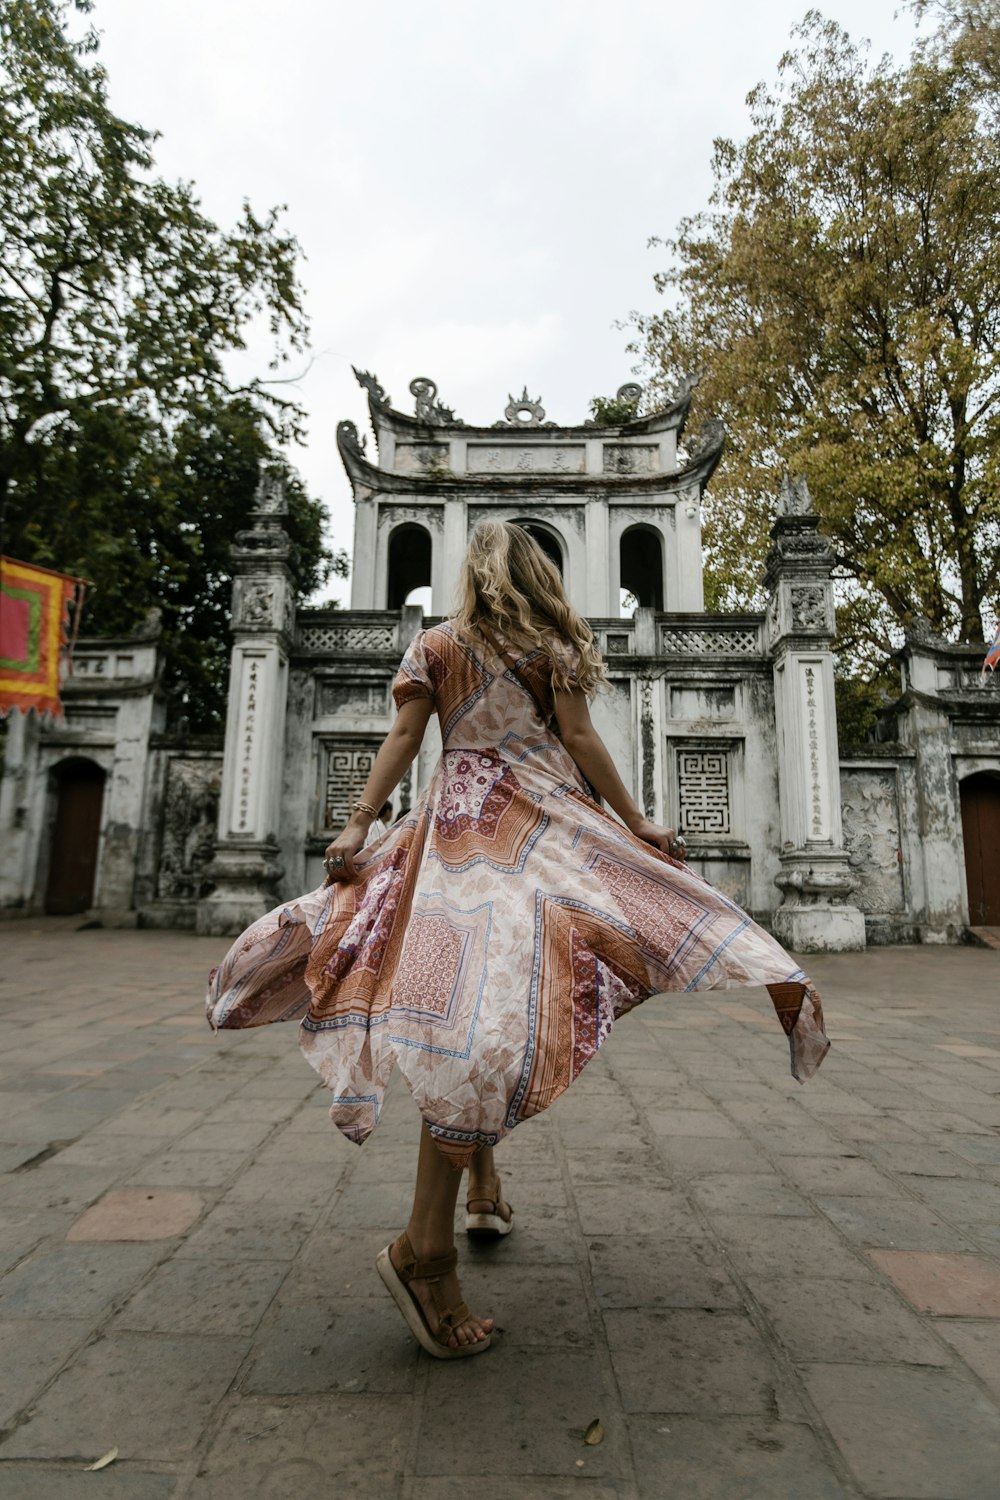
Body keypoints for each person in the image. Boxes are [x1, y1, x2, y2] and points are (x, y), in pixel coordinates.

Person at [207, 520, 830, 1360]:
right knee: (490, 1016)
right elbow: (577, 740)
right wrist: (637, 823)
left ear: (473, 573)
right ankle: (429, 1250)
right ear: (541, 574)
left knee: (475, 1005)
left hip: (453, 837)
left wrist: (358, 823)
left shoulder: (434, 646)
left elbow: (402, 740)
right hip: (537, 832)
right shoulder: (553, 647)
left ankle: (481, 1187)